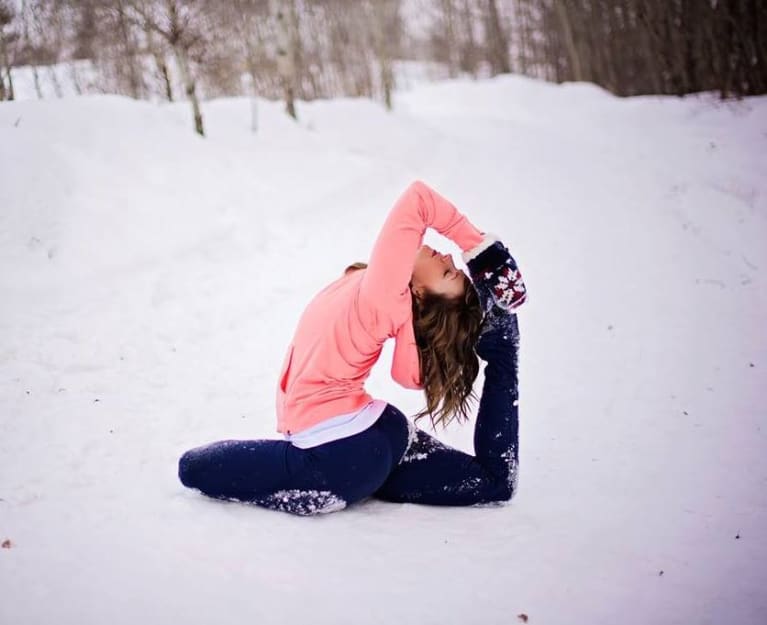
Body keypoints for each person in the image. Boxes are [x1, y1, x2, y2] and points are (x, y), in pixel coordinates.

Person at [178, 180, 527, 516]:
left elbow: (417, 199)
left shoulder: (383, 295)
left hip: (339, 454)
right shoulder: (388, 299)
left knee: (193, 468)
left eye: (448, 273)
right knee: (492, 482)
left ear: (420, 293)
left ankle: (502, 350)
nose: (450, 257)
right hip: (376, 438)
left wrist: (481, 250)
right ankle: (503, 349)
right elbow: (407, 374)